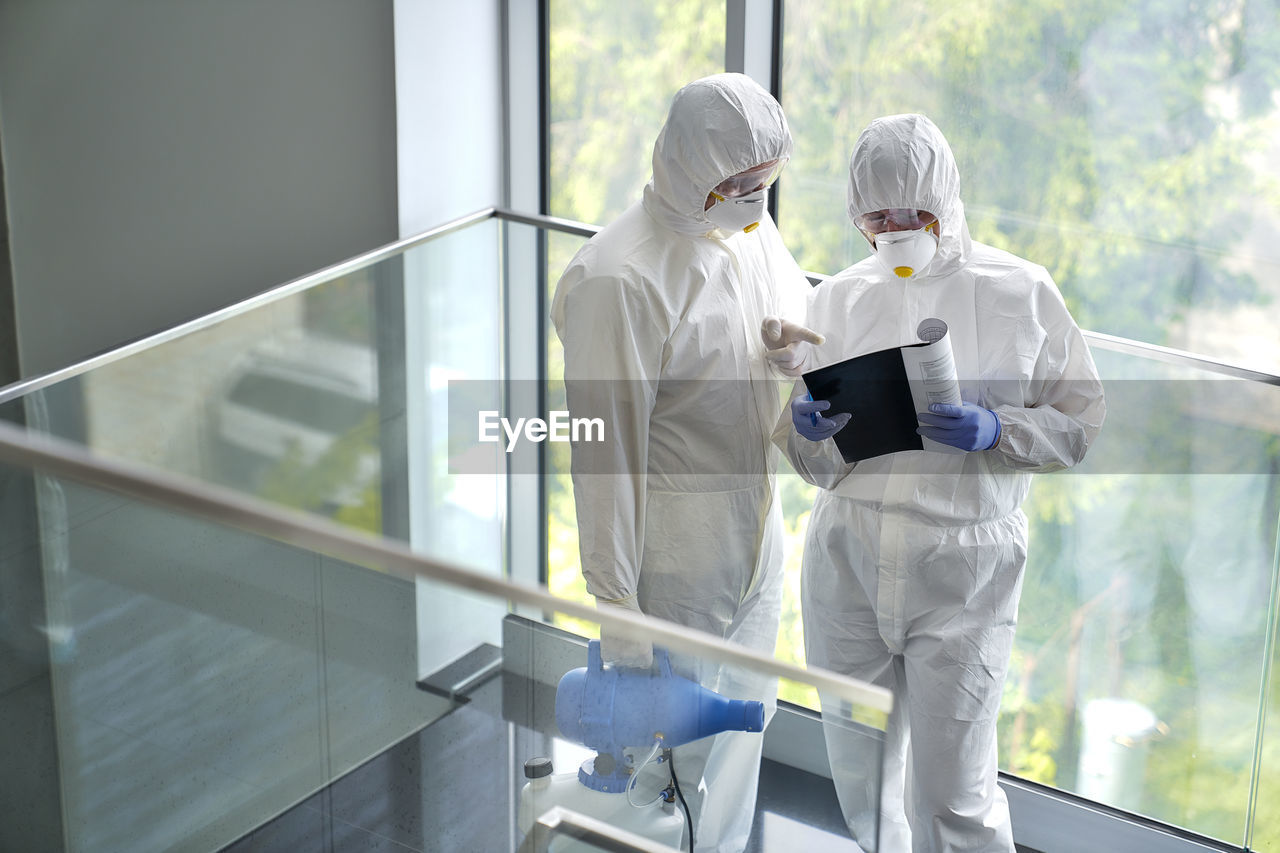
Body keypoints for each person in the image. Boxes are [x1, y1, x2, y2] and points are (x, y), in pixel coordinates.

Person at [768, 114, 1105, 853]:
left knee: (956, 789)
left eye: (909, 213)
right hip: (848, 561)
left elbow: (1081, 420)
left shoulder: (1020, 291)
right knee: (863, 777)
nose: (891, 230)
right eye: (874, 216)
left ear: (944, 201)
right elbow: (807, 456)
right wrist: (808, 432)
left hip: (962, 571)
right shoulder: (838, 299)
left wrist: (1000, 430)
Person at [550, 73, 819, 853]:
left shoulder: (748, 230)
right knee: (662, 783)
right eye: (735, 183)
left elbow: (790, 307)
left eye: (764, 181)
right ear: (685, 164)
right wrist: (626, 640)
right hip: (674, 573)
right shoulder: (618, 280)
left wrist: (790, 355)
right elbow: (603, 470)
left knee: (741, 743)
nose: (752, 198)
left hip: (754, 545)